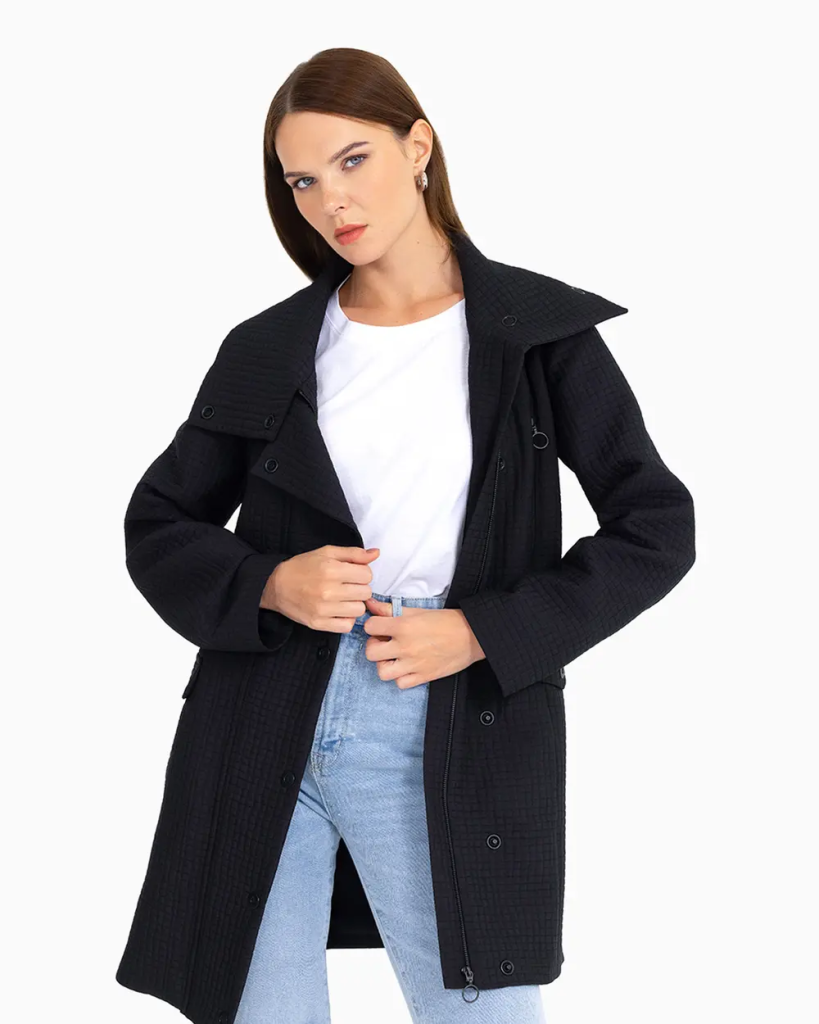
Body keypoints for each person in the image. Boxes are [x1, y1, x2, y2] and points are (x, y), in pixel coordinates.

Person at [116, 47, 696, 1024]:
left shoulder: (536, 336)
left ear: (417, 146)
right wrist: (269, 583)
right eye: (302, 180)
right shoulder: (269, 347)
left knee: (483, 1010)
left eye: (352, 161)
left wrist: (482, 632)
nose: (330, 200)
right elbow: (159, 521)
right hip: (259, 716)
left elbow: (657, 525)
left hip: (441, 711)